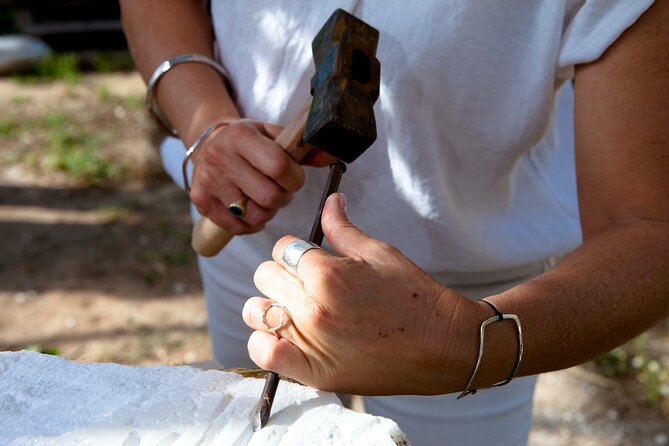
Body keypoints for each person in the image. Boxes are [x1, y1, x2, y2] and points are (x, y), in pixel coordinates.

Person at [120, 1, 669, 445]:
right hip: (257, 251)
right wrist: (203, 122)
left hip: (470, 299)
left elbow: (647, 225)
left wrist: (464, 340)